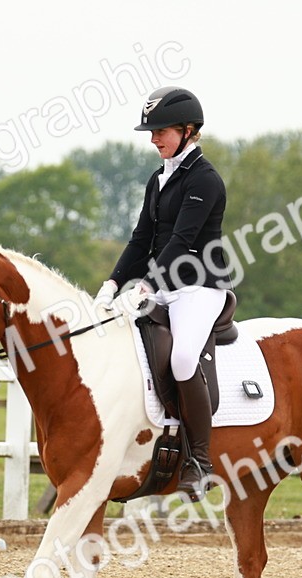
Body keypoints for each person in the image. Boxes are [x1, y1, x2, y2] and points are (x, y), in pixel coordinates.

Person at [95, 86, 231, 501]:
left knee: (184, 357)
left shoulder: (205, 180)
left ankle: (201, 462)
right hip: (161, 286)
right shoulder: (159, 178)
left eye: (161, 132)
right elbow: (143, 239)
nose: (154, 140)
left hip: (198, 286)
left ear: (189, 131)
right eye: (151, 133)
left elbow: (183, 240)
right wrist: (113, 282)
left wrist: (148, 283)